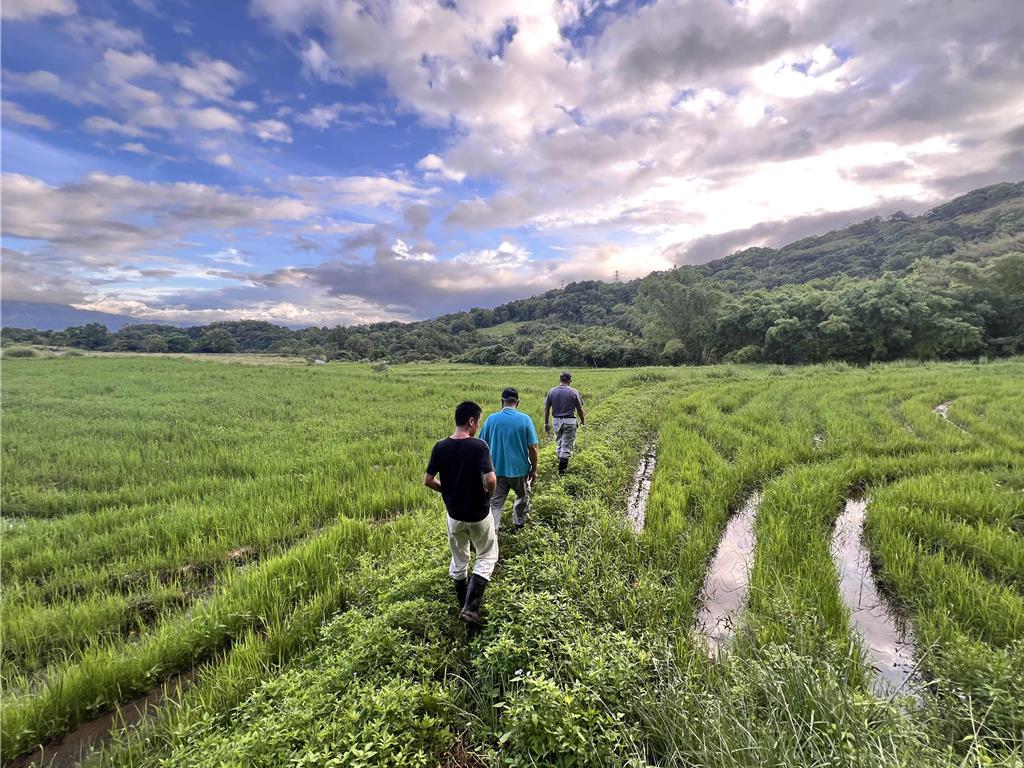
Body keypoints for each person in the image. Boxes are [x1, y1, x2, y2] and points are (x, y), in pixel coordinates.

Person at [424, 401, 497, 625]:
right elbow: (491, 478)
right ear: (471, 421)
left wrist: (447, 490)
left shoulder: (440, 446)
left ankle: (461, 602)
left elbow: (428, 481)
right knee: (486, 555)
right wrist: (487, 495)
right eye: (478, 421)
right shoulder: (479, 446)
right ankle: (471, 607)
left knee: (459, 557)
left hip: (454, 515)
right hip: (478, 514)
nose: (478, 426)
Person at [478, 387, 539, 531]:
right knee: (522, 497)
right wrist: (534, 470)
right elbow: (533, 448)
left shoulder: (491, 419)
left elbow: (481, 445)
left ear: (502, 402)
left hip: (495, 471)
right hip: (520, 470)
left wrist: (482, 471)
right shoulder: (525, 419)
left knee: (495, 505)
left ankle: (492, 537)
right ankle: (519, 523)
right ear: (517, 403)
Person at [544, 372, 586, 474]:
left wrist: (546, 423)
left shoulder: (551, 391)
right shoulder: (573, 392)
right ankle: (562, 473)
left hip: (556, 421)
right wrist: (583, 421)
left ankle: (560, 464)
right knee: (567, 445)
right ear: (569, 381)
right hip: (569, 421)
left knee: (559, 443)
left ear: (560, 380)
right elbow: (580, 409)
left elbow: (546, 409)